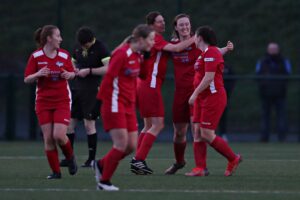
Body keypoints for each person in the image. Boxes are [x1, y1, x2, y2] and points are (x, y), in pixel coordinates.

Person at [164, 14, 234, 175]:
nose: (185, 27)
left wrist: (226, 49)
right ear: (175, 27)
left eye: (187, 24)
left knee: (199, 131)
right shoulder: (173, 45)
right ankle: (179, 162)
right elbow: (173, 49)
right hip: (181, 94)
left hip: (199, 93)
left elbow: (213, 54)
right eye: (181, 25)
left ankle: (201, 167)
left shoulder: (200, 44)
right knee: (179, 132)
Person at [130, 11, 197, 175]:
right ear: (152, 25)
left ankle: (137, 160)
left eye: (164, 21)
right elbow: (176, 47)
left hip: (142, 84)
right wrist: (197, 37)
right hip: (150, 85)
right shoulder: (155, 37)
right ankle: (139, 160)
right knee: (158, 125)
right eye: (160, 22)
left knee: (147, 125)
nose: (163, 24)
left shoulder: (153, 38)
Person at [94, 24, 155, 191]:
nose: (152, 43)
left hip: (129, 105)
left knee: (130, 147)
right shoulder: (122, 54)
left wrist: (148, 57)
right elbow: (108, 78)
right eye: (150, 39)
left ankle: (100, 164)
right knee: (121, 145)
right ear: (141, 39)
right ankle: (104, 182)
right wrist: (98, 102)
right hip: (114, 104)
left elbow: (143, 75)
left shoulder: (138, 55)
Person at [24, 25, 77, 179]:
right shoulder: (36, 56)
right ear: (49, 38)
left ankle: (70, 157)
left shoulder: (64, 55)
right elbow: (27, 79)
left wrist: (69, 74)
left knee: (59, 136)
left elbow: (73, 73)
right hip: (43, 102)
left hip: (62, 100)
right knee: (48, 138)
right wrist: (38, 74)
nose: (60, 39)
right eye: (58, 36)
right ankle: (56, 172)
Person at [188, 26, 242, 177]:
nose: (193, 39)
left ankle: (233, 158)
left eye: (195, 36)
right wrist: (227, 48)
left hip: (213, 97)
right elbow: (218, 52)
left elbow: (209, 77)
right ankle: (200, 168)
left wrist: (194, 94)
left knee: (206, 133)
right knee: (197, 132)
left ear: (199, 38)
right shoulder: (206, 53)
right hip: (202, 98)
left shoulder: (210, 52)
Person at [60, 27, 110, 168]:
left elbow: (109, 68)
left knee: (89, 124)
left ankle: (91, 160)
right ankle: (69, 157)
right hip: (77, 89)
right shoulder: (78, 45)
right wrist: (74, 69)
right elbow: (72, 62)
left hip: (93, 90)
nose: (83, 47)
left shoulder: (101, 47)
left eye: (86, 45)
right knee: (70, 124)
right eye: (82, 45)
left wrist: (89, 71)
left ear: (92, 40)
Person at [256, 42, 291, 142]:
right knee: (265, 116)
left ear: (278, 50)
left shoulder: (284, 61)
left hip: (280, 94)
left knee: (281, 116)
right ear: (267, 50)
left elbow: (288, 74)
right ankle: (264, 137)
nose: (273, 51)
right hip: (265, 94)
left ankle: (282, 138)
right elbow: (257, 75)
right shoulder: (262, 61)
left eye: (275, 49)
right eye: (271, 49)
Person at [218, 64, 235, 142]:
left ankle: (222, 133)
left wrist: (226, 92)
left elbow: (232, 81)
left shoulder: (228, 67)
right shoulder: (208, 63)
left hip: (223, 96)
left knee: (223, 115)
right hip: (210, 96)